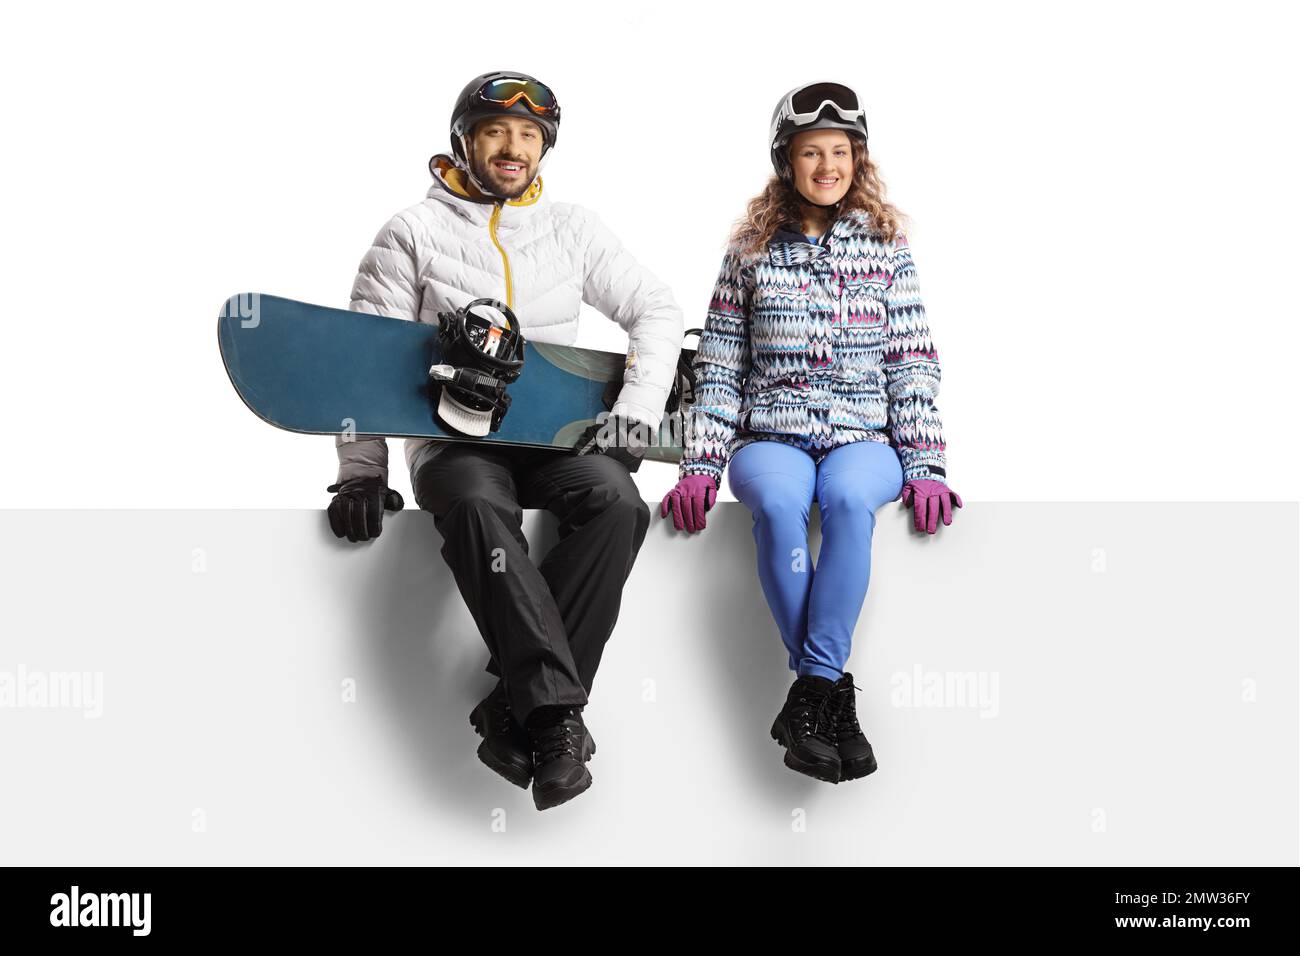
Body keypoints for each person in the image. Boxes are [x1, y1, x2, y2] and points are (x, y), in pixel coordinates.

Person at [326, 72, 683, 810]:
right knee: (480, 511)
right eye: (495, 131)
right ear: (463, 141)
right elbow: (361, 360)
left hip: (555, 438)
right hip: (457, 442)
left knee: (618, 506)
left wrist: (639, 412)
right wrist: (361, 471)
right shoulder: (412, 233)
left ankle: (516, 711)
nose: (512, 146)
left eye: (528, 134)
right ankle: (553, 717)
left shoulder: (573, 229)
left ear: (544, 147)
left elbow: (654, 307)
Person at [660, 81, 962, 785]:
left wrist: (927, 465)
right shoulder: (749, 252)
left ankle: (812, 691)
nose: (826, 166)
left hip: (864, 436)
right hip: (774, 434)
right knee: (776, 505)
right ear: (785, 161)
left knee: (853, 504)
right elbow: (722, 366)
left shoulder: (888, 250)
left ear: (857, 159)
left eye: (839, 152)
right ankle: (830, 697)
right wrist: (701, 464)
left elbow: (911, 361)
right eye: (809, 153)